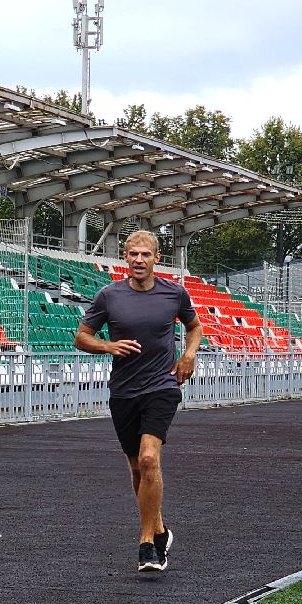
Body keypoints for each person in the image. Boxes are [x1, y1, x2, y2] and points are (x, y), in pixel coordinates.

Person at [74, 229, 203, 574]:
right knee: (136, 468)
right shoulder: (108, 295)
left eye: (145, 254)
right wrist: (108, 346)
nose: (139, 260)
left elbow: (194, 327)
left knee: (149, 459)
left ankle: (148, 544)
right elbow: (82, 337)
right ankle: (160, 529)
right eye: (133, 254)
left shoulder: (174, 293)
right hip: (124, 391)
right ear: (126, 258)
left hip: (161, 387)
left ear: (157, 258)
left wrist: (188, 355)